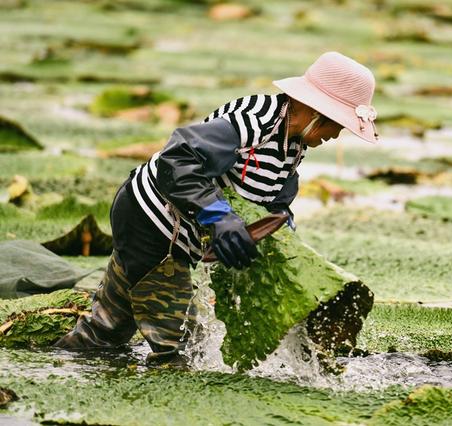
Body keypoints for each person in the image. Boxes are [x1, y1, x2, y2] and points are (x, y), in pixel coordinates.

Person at [55, 51, 380, 364]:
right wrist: (218, 217)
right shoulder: (253, 123)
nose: (337, 134)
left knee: (108, 325)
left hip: (173, 227)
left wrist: (282, 238)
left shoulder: (293, 143)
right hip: (153, 222)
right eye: (337, 124)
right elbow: (176, 160)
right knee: (182, 345)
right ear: (314, 111)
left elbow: (273, 197)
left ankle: (66, 364)